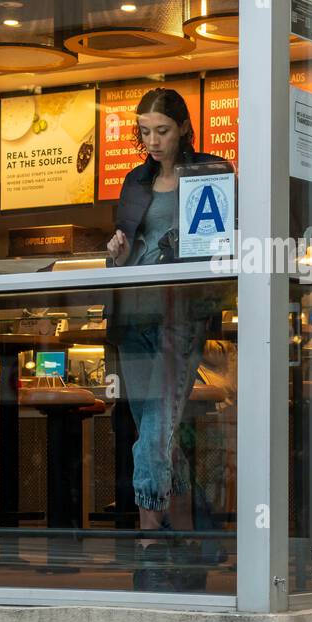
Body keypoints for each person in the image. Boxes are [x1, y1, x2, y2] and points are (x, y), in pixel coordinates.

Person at [105, 88, 231, 591]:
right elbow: (124, 251)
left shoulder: (211, 173)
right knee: (162, 435)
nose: (152, 141)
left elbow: (224, 243)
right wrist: (115, 255)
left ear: (183, 127)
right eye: (144, 132)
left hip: (182, 316)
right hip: (133, 315)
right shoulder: (134, 182)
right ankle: (189, 537)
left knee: (155, 430)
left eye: (162, 130)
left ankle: (150, 542)